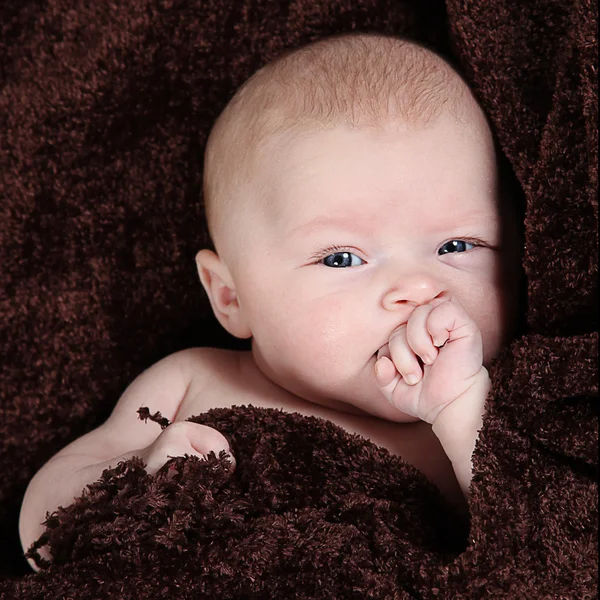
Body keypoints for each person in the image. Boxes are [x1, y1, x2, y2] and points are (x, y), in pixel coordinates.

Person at [19, 32, 522, 569]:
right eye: (341, 258)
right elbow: (43, 534)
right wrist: (140, 476)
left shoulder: (488, 417)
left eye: (457, 245)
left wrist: (462, 408)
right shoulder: (192, 379)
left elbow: (531, 553)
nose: (420, 288)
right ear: (231, 298)